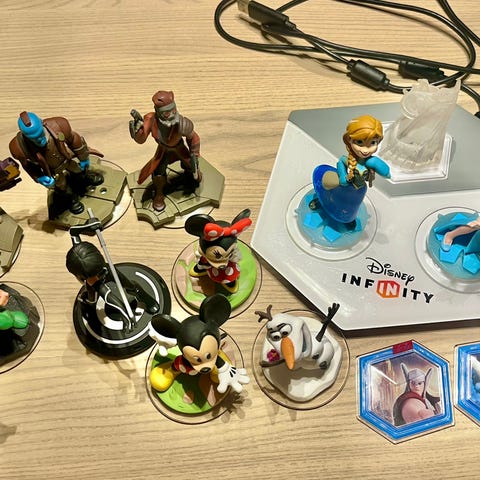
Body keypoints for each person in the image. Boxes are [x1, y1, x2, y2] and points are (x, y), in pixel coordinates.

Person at [9, 112, 104, 217]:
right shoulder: (19, 148)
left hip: (67, 158)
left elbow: (74, 139)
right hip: (53, 170)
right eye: (34, 138)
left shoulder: (58, 125)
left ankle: (84, 179)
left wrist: (83, 157)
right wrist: (40, 177)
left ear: (42, 124)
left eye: (40, 134)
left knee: (78, 169)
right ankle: (70, 198)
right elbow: (28, 166)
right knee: (61, 185)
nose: (40, 140)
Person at [129, 90, 201, 212]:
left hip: (179, 148)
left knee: (191, 166)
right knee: (158, 172)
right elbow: (141, 139)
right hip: (163, 150)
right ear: (158, 112)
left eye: (174, 111)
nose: (172, 115)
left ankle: (189, 179)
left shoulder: (182, 122)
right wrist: (138, 130)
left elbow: (193, 137)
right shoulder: (151, 119)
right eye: (167, 113)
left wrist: (194, 154)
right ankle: (159, 194)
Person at [312, 115, 390, 225]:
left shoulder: (371, 162)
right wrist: (342, 176)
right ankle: (323, 203)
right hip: (344, 187)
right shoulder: (347, 160)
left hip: (359, 190)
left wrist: (378, 165)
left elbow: (386, 173)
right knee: (334, 197)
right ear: (349, 139)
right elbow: (340, 162)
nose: (365, 150)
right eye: (360, 142)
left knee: (351, 206)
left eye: (372, 143)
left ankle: (348, 218)